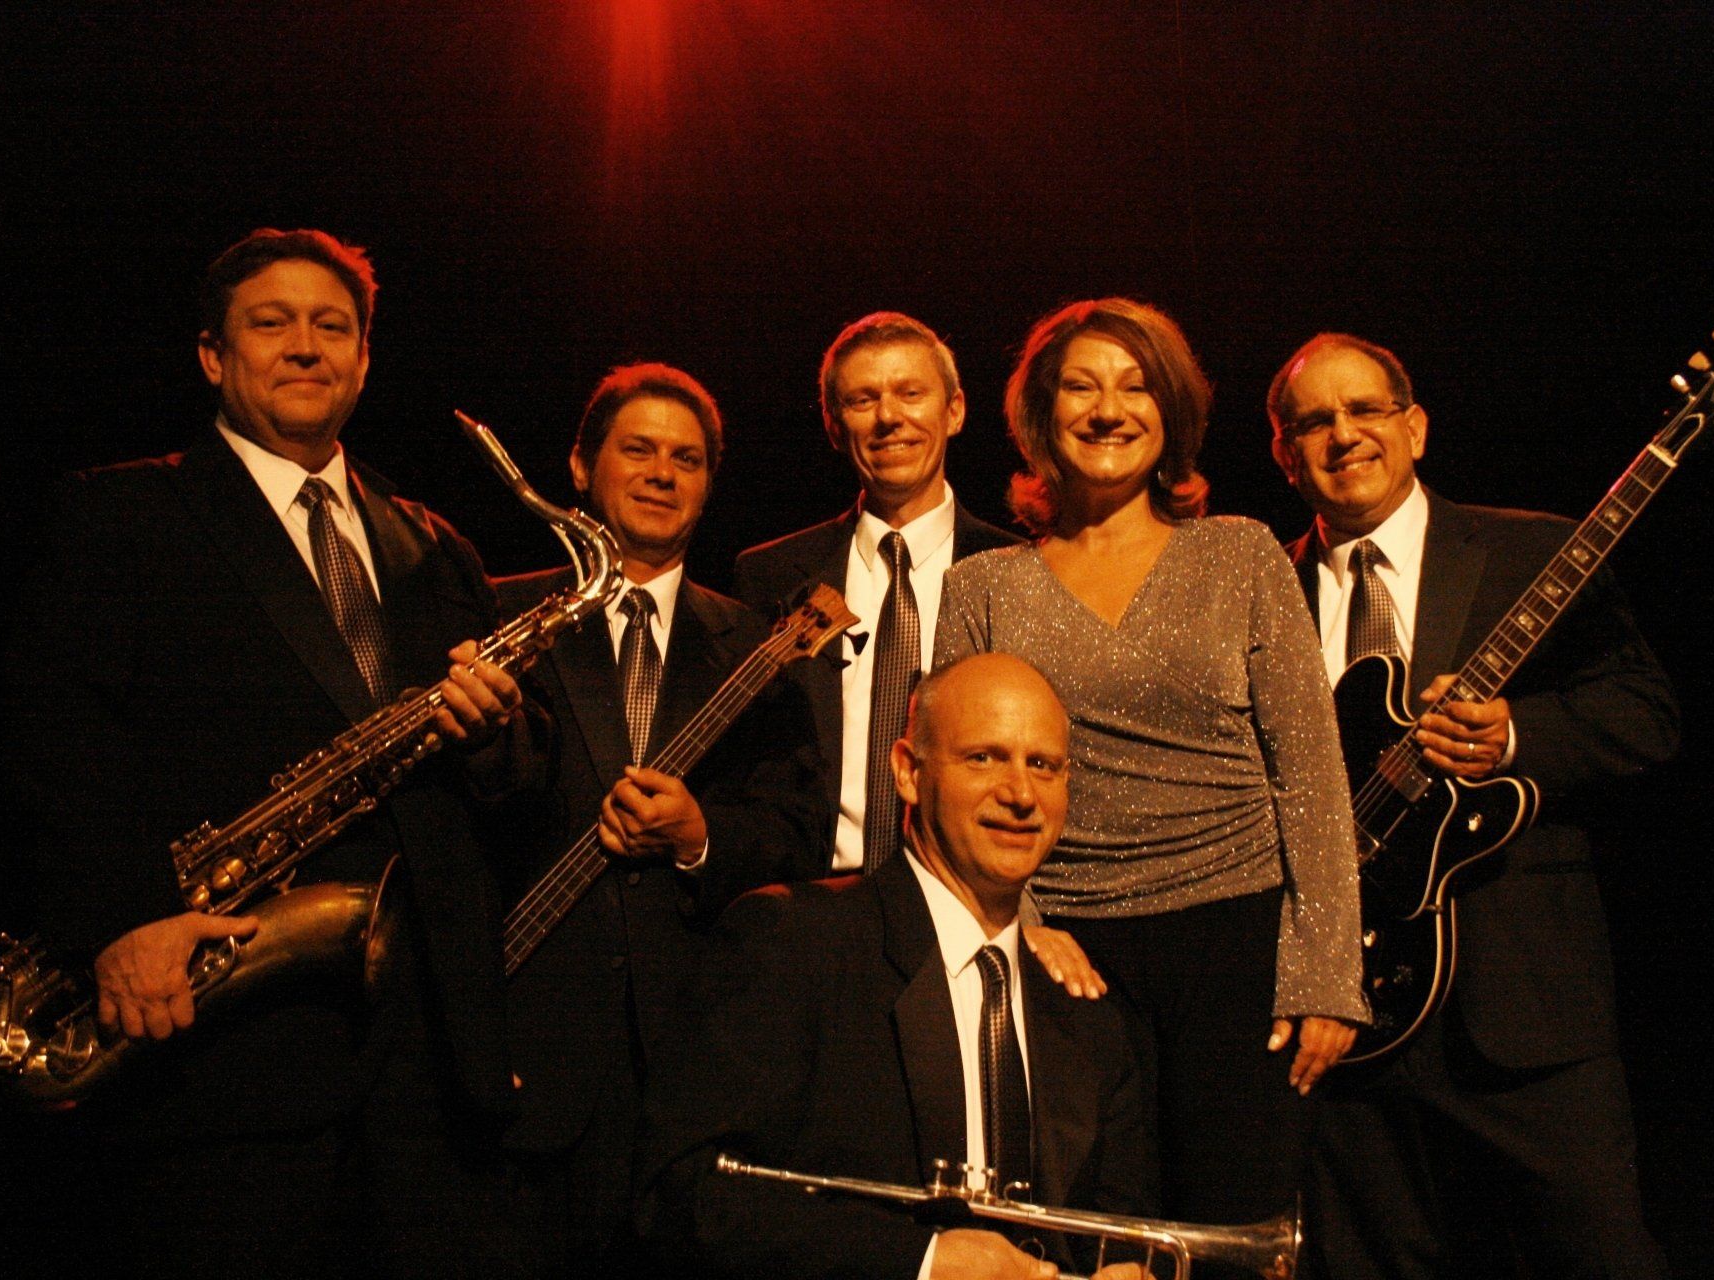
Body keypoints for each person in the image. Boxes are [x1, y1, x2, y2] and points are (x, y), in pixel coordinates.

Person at [5, 228, 534, 1276]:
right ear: (213, 354)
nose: (305, 346)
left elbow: (515, 794)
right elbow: (56, 742)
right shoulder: (122, 512)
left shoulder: (437, 540)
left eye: (331, 326)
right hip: (223, 1049)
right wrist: (121, 919)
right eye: (271, 322)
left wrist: (500, 733)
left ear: (365, 357)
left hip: (429, 1066)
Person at [935, 298, 1367, 1229]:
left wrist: (1329, 973)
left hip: (1239, 950)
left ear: (1170, 414)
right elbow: (953, 784)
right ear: (1041, 416)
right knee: (1097, 1237)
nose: (1108, 408)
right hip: (1068, 955)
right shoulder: (982, 585)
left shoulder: (1242, 554)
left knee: (1234, 1237)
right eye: (1081, 387)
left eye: (1136, 387)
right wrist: (1028, 925)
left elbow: (1313, 777)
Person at [1269, 333, 1678, 1279]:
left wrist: (1514, 738)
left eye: (1366, 410)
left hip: (1528, 1017)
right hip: (1348, 1034)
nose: (1344, 436)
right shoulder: (1262, 593)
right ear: (1287, 456)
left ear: (1413, 426)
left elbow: (1646, 715)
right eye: (1314, 422)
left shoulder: (1531, 551)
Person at [639, 653, 1158, 1280]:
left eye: (1042, 765)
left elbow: (1124, 1230)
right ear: (909, 773)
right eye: (984, 757)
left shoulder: (1086, 1010)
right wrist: (924, 1262)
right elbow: (679, 1200)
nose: (1021, 794)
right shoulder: (794, 942)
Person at [494, 363, 829, 1270]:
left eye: (686, 458)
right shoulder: (498, 621)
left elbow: (797, 833)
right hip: (526, 1058)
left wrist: (700, 840)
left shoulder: (761, 646)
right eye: (636, 449)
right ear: (579, 467)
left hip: (697, 1063)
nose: (661, 472)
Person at [734, 311, 1098, 997]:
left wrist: (1033, 913)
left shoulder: (1024, 571)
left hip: (968, 918)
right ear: (834, 424)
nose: (888, 418)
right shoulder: (770, 578)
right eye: (862, 400)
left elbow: (1055, 762)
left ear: (955, 410)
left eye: (910, 393)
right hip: (810, 917)